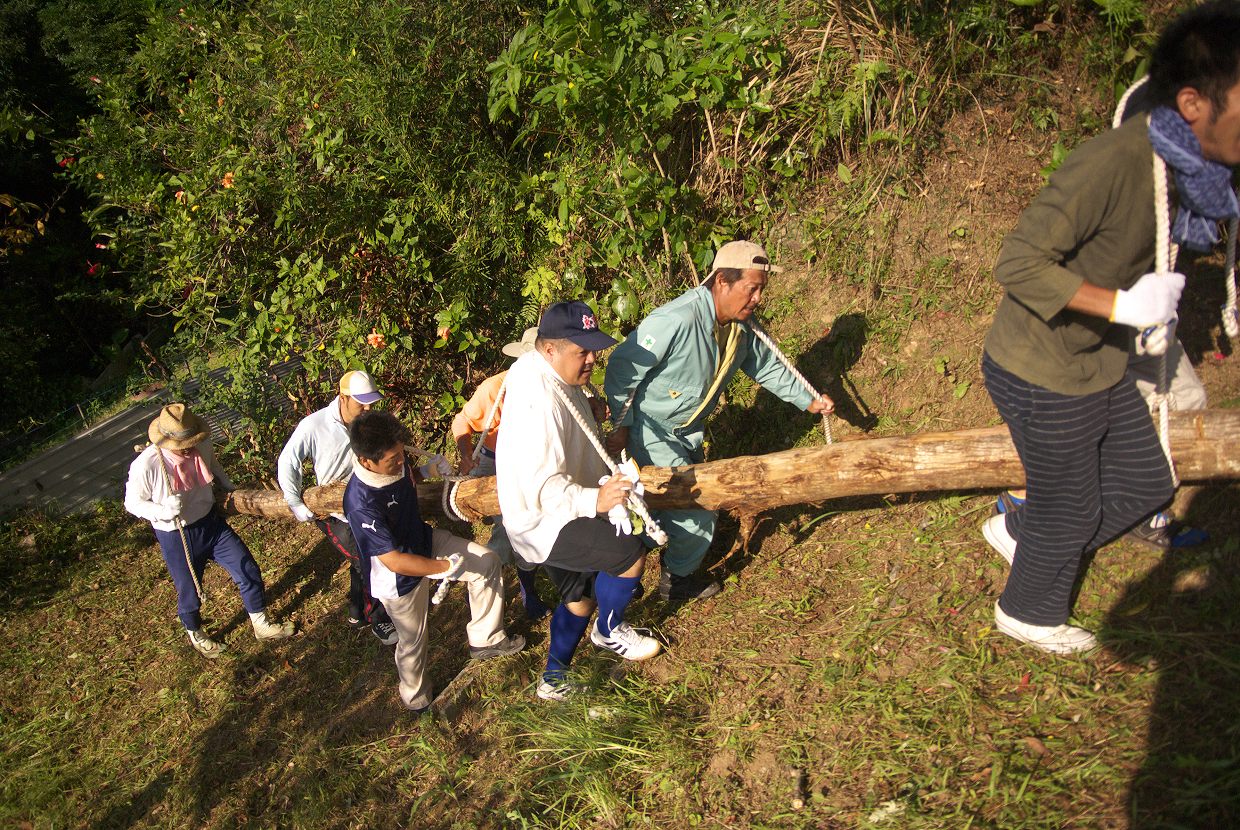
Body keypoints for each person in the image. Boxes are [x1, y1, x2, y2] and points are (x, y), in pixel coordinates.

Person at [979, 0, 1240, 654]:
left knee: (1148, 482)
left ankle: (1026, 534)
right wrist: (1122, 308)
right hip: (1041, 370)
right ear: (1193, 104)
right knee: (1071, 512)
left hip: (1096, 364)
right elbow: (1016, 262)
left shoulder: (1196, 173)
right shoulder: (1112, 163)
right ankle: (1025, 612)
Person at [603, 241, 835, 603]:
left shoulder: (743, 327)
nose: (758, 298)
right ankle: (675, 582)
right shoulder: (676, 320)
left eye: (762, 289)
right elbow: (623, 368)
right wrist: (621, 424)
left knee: (656, 505)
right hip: (650, 430)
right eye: (751, 288)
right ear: (722, 281)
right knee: (699, 513)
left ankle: (627, 560)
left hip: (687, 433)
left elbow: (767, 365)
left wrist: (808, 400)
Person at [497, 301, 661, 701]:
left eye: (594, 348)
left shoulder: (551, 372)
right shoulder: (538, 402)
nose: (592, 359)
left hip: (557, 507)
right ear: (549, 348)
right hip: (544, 518)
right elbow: (543, 485)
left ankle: (553, 680)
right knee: (627, 553)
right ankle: (609, 631)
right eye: (582, 352)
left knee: (579, 599)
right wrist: (597, 499)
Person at [343, 410, 525, 712]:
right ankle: (416, 700)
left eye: (402, 454)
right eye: (393, 460)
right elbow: (394, 561)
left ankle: (486, 638)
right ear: (367, 462)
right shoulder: (360, 502)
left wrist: (426, 470)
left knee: (486, 563)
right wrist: (444, 568)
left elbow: (404, 478)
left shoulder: (392, 459)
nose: (401, 462)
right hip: (398, 577)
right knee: (413, 642)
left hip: (424, 541)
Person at [125, 403, 294, 658]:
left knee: (245, 565)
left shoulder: (201, 444)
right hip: (177, 534)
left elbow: (212, 463)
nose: (190, 447)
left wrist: (228, 486)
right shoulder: (147, 465)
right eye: (184, 444)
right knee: (189, 589)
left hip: (210, 523)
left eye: (192, 440)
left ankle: (261, 623)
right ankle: (195, 633)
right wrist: (162, 510)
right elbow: (132, 502)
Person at [277, 370, 398, 644]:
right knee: (367, 560)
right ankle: (380, 618)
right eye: (361, 403)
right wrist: (294, 501)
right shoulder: (314, 425)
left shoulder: (370, 423)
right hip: (335, 511)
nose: (368, 408)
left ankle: (358, 612)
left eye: (371, 402)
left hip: (366, 503)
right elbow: (288, 461)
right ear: (343, 398)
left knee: (365, 560)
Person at [450, 328, 549, 620]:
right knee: (509, 528)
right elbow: (463, 421)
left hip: (530, 461)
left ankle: (527, 588)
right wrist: (466, 454)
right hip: (492, 461)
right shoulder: (495, 388)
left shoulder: (551, 386)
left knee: (531, 523)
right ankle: (486, 587)